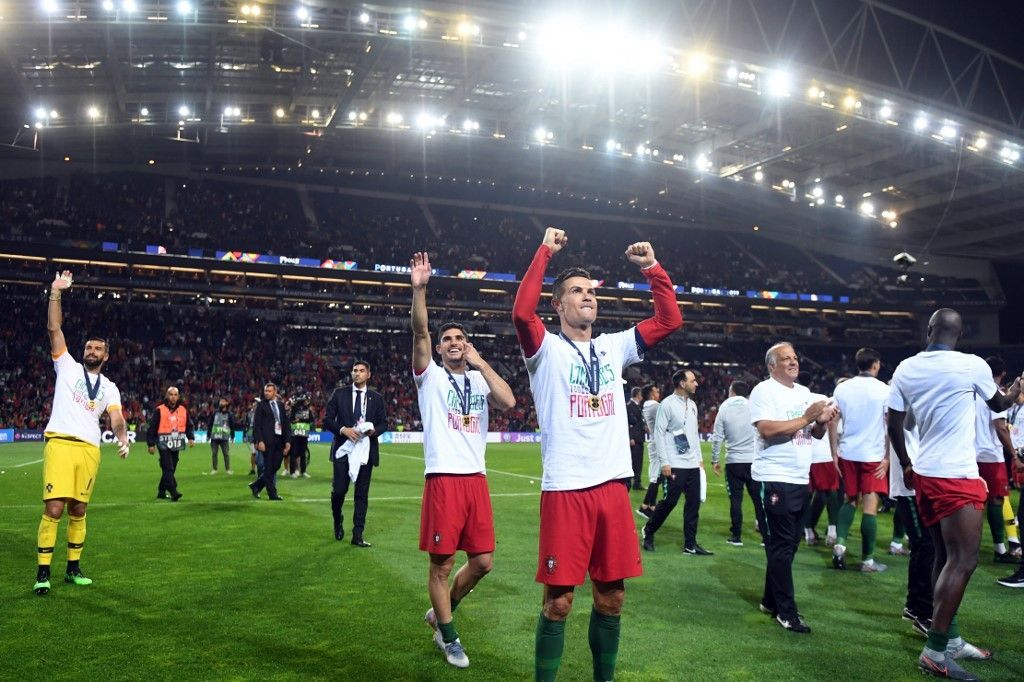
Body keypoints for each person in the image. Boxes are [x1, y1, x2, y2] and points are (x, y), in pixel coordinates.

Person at [512, 227, 682, 681]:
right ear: (557, 305)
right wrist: (545, 252)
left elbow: (668, 321)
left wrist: (653, 269)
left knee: (612, 598)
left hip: (611, 487)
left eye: (591, 291)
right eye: (576, 291)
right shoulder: (544, 350)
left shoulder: (614, 346)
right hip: (566, 488)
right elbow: (521, 312)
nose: (587, 296)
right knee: (559, 603)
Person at [887, 308, 1023, 678]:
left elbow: (894, 423)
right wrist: (1015, 390)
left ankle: (951, 639)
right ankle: (934, 651)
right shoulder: (972, 364)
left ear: (928, 329)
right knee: (963, 561)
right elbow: (999, 404)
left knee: (944, 556)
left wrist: (906, 464)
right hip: (955, 475)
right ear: (960, 335)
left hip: (925, 472)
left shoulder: (905, 368)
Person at [409, 252, 516, 669]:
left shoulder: (477, 377)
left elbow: (508, 401)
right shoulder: (430, 376)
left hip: (476, 479)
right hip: (444, 479)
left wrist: (481, 362)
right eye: (448, 339)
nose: (454, 342)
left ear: (467, 345)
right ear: (439, 348)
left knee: (483, 562)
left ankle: (442, 614)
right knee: (442, 565)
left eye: (460, 338)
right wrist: (420, 290)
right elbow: (420, 331)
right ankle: (449, 637)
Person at [34, 270, 131, 595]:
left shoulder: (110, 387)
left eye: (97, 349)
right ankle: (43, 573)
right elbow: (54, 328)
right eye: (89, 347)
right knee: (54, 508)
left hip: (89, 449)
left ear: (105, 356)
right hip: (61, 444)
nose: (91, 350)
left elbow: (116, 417)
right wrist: (56, 292)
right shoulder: (67, 365)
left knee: (78, 510)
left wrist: (122, 437)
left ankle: (73, 569)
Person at [749, 342, 838, 634]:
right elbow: (766, 430)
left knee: (788, 546)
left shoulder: (804, 393)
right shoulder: (764, 391)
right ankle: (787, 612)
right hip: (774, 476)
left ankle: (769, 600)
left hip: (800, 477)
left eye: (795, 357)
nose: (793, 362)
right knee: (781, 546)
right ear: (771, 365)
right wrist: (808, 417)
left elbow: (813, 434)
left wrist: (821, 423)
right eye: (785, 358)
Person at [829, 348, 891, 573]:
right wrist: (887, 457)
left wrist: (834, 453)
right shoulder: (884, 390)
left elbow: (832, 421)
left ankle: (840, 545)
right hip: (872, 455)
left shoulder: (842, 388)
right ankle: (867, 560)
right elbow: (890, 425)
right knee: (870, 507)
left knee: (849, 500)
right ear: (875, 364)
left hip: (848, 452)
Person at [641, 368, 711, 555]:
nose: (696, 384)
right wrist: (665, 462)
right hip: (674, 463)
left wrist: (699, 460)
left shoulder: (693, 405)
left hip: (692, 463)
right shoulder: (667, 404)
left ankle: (690, 544)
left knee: (693, 504)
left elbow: (693, 435)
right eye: (692, 380)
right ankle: (649, 530)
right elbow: (658, 434)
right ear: (682, 383)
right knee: (670, 501)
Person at [323, 361, 387, 546]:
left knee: (361, 494)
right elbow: (327, 419)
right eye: (354, 370)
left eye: (361, 371)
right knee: (339, 490)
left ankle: (357, 535)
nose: (357, 373)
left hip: (365, 451)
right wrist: (343, 429)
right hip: (343, 449)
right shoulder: (339, 393)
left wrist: (373, 431)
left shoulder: (376, 398)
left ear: (368, 374)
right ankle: (338, 518)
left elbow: (384, 423)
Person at [889, 410, 934, 637]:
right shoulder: (904, 397)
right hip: (911, 483)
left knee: (921, 546)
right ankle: (925, 613)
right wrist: (907, 464)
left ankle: (915, 606)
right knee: (926, 546)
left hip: (918, 477)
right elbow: (895, 426)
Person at [711, 380, 766, 547]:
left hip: (734, 462)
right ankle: (766, 537)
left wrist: (715, 460)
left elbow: (717, 437)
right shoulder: (753, 406)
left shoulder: (724, 408)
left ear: (732, 391)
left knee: (735, 500)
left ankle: (736, 536)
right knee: (759, 500)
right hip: (754, 462)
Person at [975, 357, 1016, 563]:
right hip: (990, 455)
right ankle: (1000, 549)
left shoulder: (973, 394)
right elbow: (1000, 427)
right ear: (1003, 373)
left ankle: (969, 546)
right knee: (995, 500)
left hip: (971, 453)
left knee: (974, 502)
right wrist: (1014, 455)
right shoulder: (995, 394)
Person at [802, 372, 841, 548]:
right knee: (830, 491)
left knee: (806, 494)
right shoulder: (822, 399)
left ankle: (808, 532)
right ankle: (832, 530)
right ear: (812, 383)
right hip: (823, 453)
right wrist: (834, 453)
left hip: (803, 453)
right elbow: (831, 424)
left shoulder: (792, 399)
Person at [146, 386, 195, 500]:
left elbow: (188, 425)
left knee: (170, 468)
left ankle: (161, 492)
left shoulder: (183, 410)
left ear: (178, 397)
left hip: (176, 443)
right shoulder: (159, 410)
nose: (173, 397)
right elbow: (152, 428)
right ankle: (173, 491)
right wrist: (151, 444)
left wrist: (191, 438)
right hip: (163, 443)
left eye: (175, 395)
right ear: (167, 396)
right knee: (168, 467)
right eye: (171, 394)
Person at [248, 383, 291, 501]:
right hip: (267, 441)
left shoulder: (280, 405)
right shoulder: (261, 405)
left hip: (279, 440)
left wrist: (287, 441)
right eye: (265, 391)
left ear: (275, 392)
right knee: (268, 467)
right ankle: (272, 494)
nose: (266, 393)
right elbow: (257, 425)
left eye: (269, 391)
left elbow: (285, 424)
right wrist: (260, 441)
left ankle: (256, 485)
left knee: (275, 466)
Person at [637, 383, 662, 518]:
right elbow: (669, 415)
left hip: (655, 442)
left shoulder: (648, 405)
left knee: (658, 475)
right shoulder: (654, 405)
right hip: (658, 443)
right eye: (656, 391)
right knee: (656, 476)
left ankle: (651, 506)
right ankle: (644, 506)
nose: (658, 392)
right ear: (652, 394)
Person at [207, 398, 236, 475]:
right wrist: (208, 435)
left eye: (223, 401)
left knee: (226, 454)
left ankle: (228, 469)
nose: (221, 403)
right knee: (214, 453)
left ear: (226, 403)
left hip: (224, 438)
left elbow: (232, 426)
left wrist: (232, 436)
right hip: (215, 437)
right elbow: (210, 424)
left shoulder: (229, 414)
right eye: (220, 401)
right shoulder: (215, 413)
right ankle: (214, 469)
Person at [287, 392, 313, 478]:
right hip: (295, 434)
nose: (307, 402)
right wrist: (297, 420)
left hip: (303, 434)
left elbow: (311, 420)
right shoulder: (294, 409)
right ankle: (292, 472)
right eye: (306, 400)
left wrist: (300, 419)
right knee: (293, 453)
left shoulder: (308, 410)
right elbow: (291, 419)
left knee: (303, 453)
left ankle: (303, 471)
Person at [626, 387, 646, 490]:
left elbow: (639, 421)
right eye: (641, 394)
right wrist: (630, 437)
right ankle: (629, 482)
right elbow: (627, 423)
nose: (642, 396)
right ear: (638, 394)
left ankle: (637, 482)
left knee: (638, 461)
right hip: (634, 438)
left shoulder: (638, 406)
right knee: (633, 461)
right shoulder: (629, 406)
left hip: (639, 437)